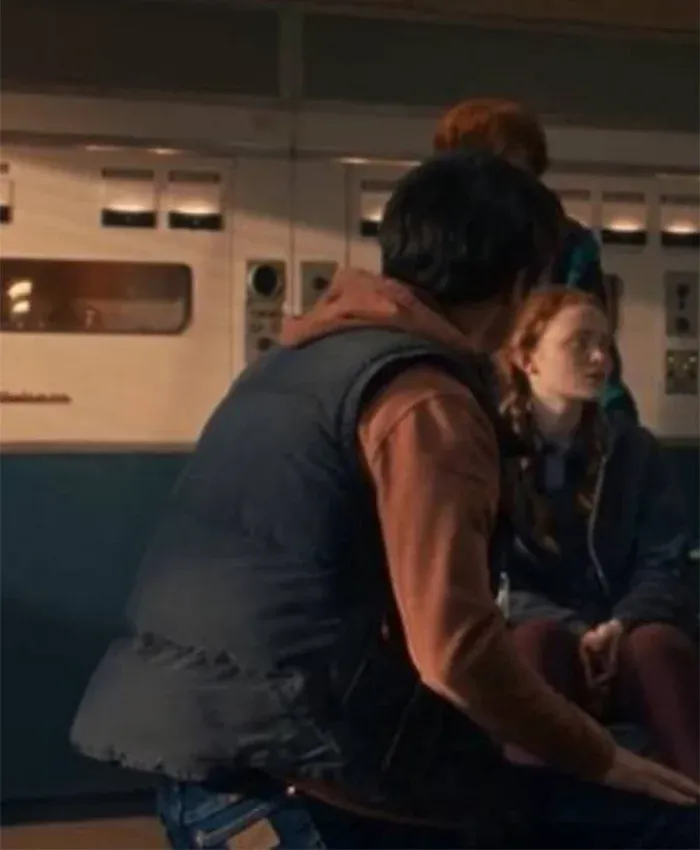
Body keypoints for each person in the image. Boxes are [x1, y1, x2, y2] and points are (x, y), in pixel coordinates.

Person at [70, 152, 699, 849]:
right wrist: (600, 757)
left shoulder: (294, 362)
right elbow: (455, 653)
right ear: (518, 285)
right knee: (655, 824)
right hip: (301, 783)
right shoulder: (426, 401)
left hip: (209, 770)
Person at [495, 285, 700, 783]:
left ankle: (691, 797)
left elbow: (664, 558)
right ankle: (531, 811)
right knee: (535, 646)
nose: (599, 358)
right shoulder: (490, 449)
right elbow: (489, 572)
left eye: (605, 344)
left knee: (658, 647)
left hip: (623, 632)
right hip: (540, 629)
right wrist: (572, 629)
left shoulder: (633, 450)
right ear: (527, 358)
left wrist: (619, 624)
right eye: (580, 343)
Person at [434, 97, 639, 425]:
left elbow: (591, 341)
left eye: (523, 170)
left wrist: (617, 427)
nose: (512, 186)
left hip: (542, 419)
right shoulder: (434, 243)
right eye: (500, 168)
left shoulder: (565, 243)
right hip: (454, 410)